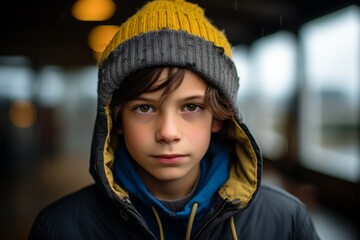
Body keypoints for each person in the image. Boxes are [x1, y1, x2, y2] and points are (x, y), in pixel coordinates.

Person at [29, 0, 320, 239]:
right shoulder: (61, 228)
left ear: (219, 116)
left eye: (191, 107)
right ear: (115, 118)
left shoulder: (283, 221)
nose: (168, 133)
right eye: (144, 108)